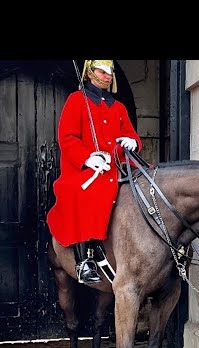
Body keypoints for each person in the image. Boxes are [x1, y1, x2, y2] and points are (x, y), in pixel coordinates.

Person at [47, 60, 142, 284]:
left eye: (110, 72)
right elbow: (67, 138)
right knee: (85, 193)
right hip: (87, 170)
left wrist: (132, 142)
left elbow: (130, 134)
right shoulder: (76, 101)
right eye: (102, 71)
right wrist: (88, 158)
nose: (108, 76)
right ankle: (84, 259)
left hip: (117, 166)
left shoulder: (118, 107)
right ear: (90, 73)